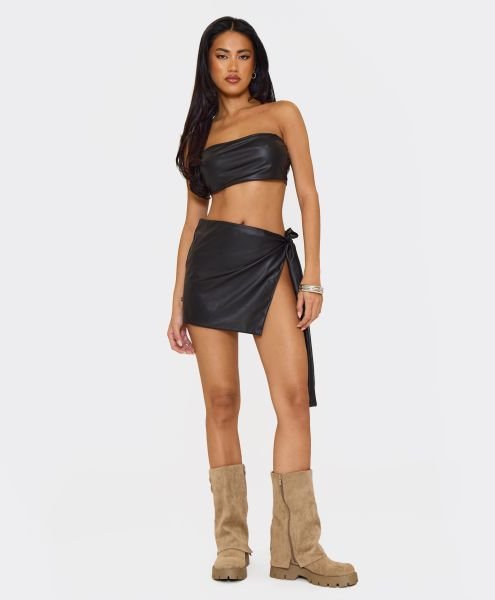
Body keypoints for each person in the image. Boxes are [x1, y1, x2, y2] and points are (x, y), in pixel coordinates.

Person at [168, 16, 358, 588]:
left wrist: (312, 279)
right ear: (207, 64)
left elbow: (308, 194)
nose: (233, 66)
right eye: (222, 55)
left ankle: (299, 550)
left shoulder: (283, 115)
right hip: (210, 268)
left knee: (293, 399)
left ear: (256, 63)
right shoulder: (198, 137)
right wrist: (177, 303)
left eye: (243, 55)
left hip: (268, 263)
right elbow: (191, 223)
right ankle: (231, 544)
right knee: (222, 401)